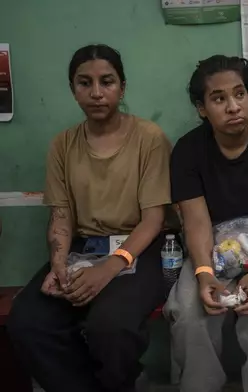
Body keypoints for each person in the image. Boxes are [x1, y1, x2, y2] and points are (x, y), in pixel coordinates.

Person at [6, 44, 172, 392]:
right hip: (84, 247)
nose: (96, 92)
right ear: (73, 89)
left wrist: (110, 267)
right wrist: (58, 264)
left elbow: (153, 220)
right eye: (85, 83)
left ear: (122, 87)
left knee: (111, 326)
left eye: (107, 82)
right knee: (28, 321)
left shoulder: (149, 139)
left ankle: (117, 383)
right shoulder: (63, 144)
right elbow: (61, 214)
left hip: (140, 248)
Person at [163, 55, 248, 392]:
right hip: (211, 246)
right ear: (201, 108)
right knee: (190, 313)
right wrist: (204, 273)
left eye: (240, 94)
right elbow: (195, 221)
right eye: (219, 98)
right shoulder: (188, 151)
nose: (233, 106)